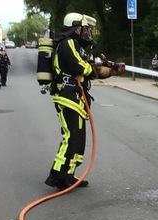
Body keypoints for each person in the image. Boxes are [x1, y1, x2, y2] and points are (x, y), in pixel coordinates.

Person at [44, 12, 125, 190]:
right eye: (85, 28)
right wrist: (100, 69)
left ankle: (69, 175)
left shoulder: (77, 46)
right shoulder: (68, 43)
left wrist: (110, 69)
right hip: (67, 96)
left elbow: (87, 69)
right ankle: (57, 175)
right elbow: (80, 67)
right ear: (76, 27)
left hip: (75, 97)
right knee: (71, 137)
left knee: (78, 139)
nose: (87, 32)